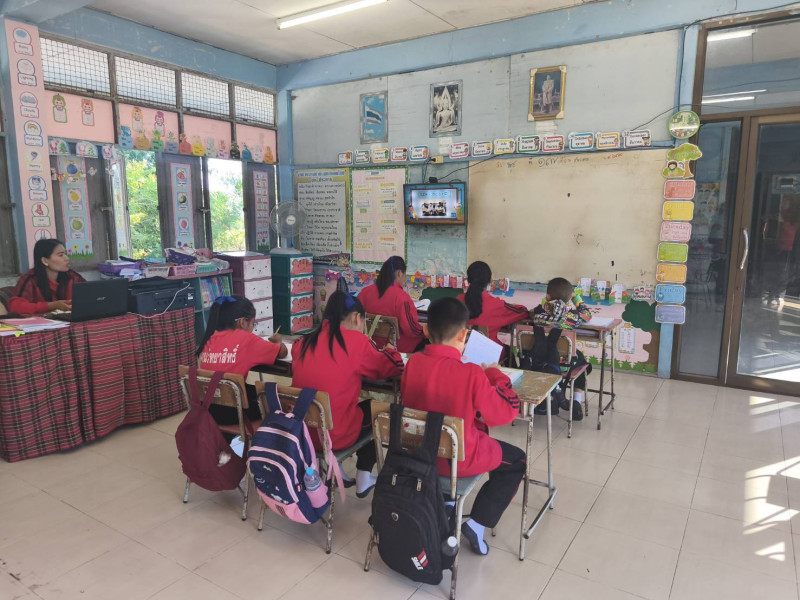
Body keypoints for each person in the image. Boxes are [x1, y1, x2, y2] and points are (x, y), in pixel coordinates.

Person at [401, 297, 524, 556]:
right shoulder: (472, 373)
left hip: (418, 454)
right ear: (464, 334)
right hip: (457, 460)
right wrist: (495, 374)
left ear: (425, 330)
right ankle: (477, 525)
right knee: (517, 461)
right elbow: (506, 411)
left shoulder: (413, 364)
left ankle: (447, 503)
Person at [291, 290, 404, 498]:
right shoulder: (357, 343)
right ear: (356, 318)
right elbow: (392, 367)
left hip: (301, 433)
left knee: (334, 402)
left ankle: (338, 471)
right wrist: (390, 350)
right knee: (376, 410)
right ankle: (364, 476)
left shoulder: (303, 343)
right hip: (334, 436)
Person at [197, 295, 287, 428]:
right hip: (234, 412)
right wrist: (278, 340)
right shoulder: (247, 339)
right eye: (253, 323)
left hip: (208, 407)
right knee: (279, 399)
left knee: (254, 390)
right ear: (242, 322)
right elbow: (282, 352)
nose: (252, 328)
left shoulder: (210, 338)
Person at [529, 277, 592, 417]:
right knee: (582, 361)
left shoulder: (538, 313)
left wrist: (546, 303)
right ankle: (576, 401)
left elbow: (530, 312)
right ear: (569, 299)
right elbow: (587, 315)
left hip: (538, 361)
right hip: (565, 364)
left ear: (547, 296)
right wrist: (576, 298)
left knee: (575, 356)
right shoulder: (572, 316)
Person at [357, 255, 426, 353]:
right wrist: (425, 331)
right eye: (405, 275)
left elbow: (357, 319)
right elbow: (411, 330)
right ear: (399, 273)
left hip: (370, 345)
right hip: (397, 348)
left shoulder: (365, 292)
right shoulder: (402, 297)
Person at [457, 261, 528, 345]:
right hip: (490, 352)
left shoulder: (457, 301)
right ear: (490, 280)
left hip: (461, 351)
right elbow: (523, 312)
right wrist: (512, 305)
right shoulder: (497, 305)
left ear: (468, 279)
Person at [8, 238, 85, 315]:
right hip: (40, 321)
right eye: (60, 255)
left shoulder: (72, 276)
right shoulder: (30, 279)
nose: (67, 258)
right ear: (45, 261)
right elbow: (15, 307)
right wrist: (51, 306)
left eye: (66, 254)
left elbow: (88, 295)